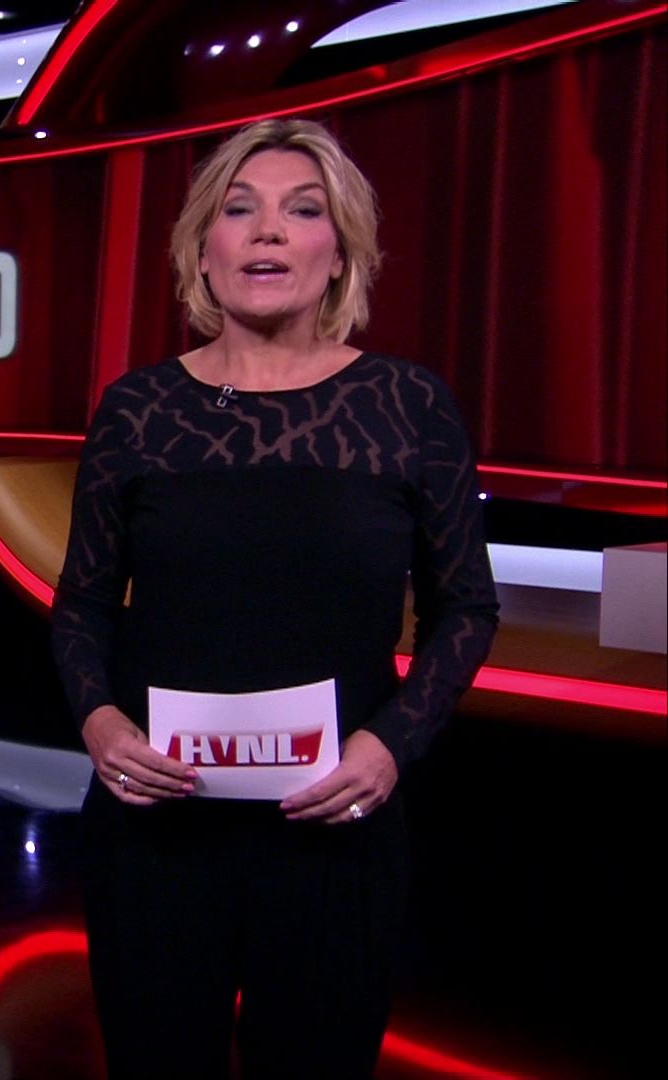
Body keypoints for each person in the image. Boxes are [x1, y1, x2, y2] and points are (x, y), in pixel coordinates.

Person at [49, 118, 499, 1079]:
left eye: (303, 210)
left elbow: (467, 607)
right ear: (201, 252)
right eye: (238, 210)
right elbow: (82, 600)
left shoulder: (408, 406)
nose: (266, 230)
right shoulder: (136, 411)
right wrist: (99, 722)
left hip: (336, 832)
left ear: (339, 252)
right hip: (156, 834)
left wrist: (390, 745)